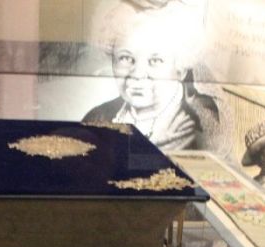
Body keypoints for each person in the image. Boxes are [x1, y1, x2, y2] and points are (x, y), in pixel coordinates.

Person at [82, 1, 233, 158]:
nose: (138, 74)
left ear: (180, 70)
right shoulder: (97, 117)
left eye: (155, 61)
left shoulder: (204, 129)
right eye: (126, 58)